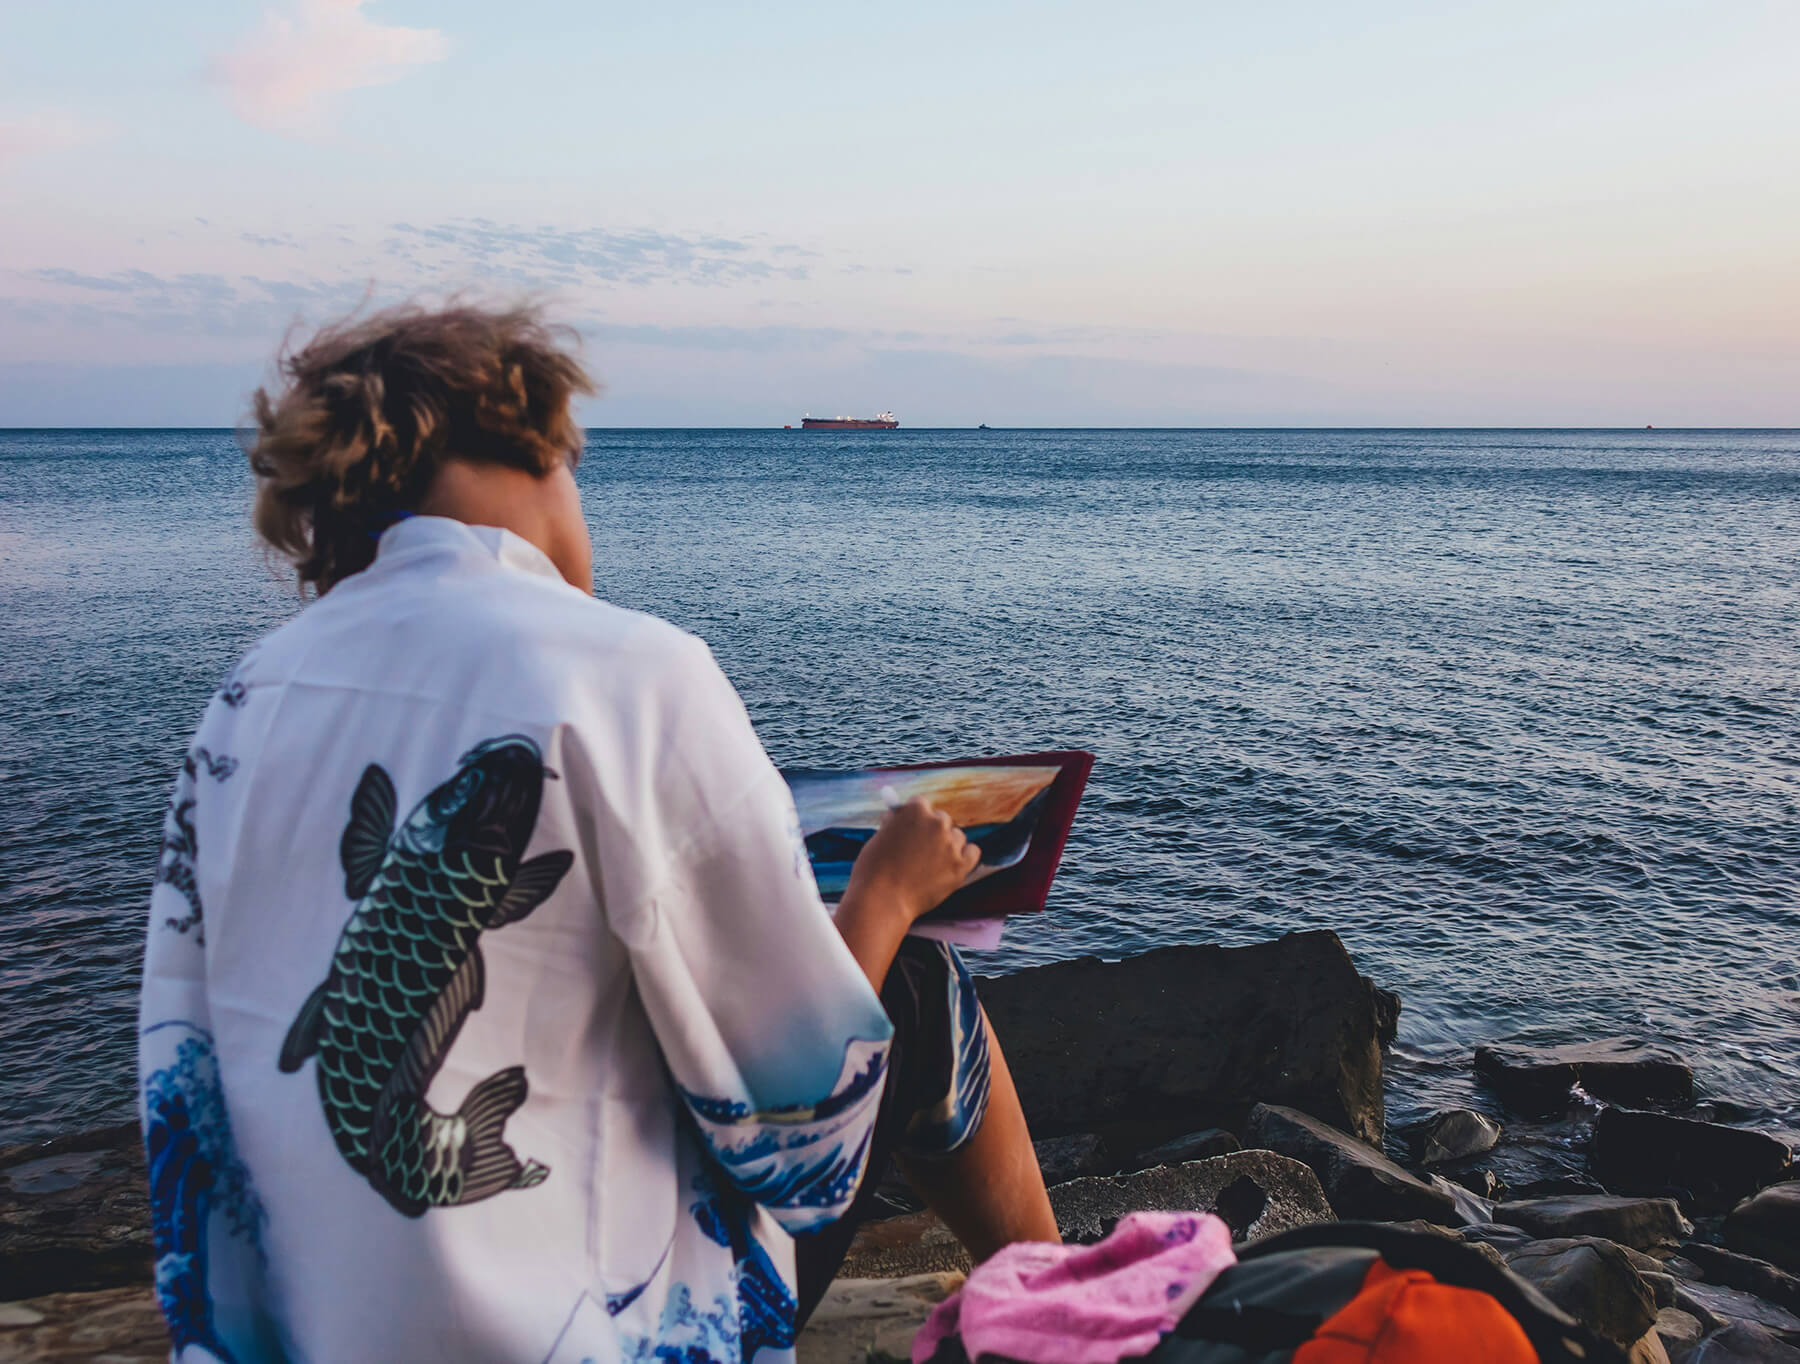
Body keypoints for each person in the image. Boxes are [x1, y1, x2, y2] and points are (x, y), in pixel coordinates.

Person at [138, 303, 1058, 1364]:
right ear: (534, 438)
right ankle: (1082, 1316)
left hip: (304, 1333)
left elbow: (190, 1087)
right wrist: (888, 894)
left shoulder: (245, 699)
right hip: (599, 1336)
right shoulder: (628, 671)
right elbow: (803, 1146)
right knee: (920, 992)